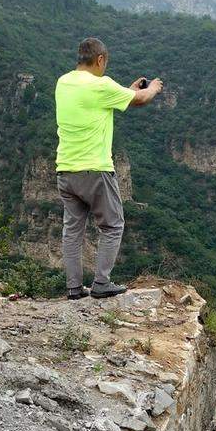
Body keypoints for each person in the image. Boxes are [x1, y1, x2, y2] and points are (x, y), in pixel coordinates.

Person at [55, 37, 163, 299]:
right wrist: (155, 88)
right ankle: (102, 283)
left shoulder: (63, 82)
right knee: (113, 225)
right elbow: (140, 99)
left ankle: (74, 288)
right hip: (95, 170)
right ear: (100, 59)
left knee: (72, 231)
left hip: (66, 170)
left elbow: (107, 100)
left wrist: (127, 89)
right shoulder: (101, 85)